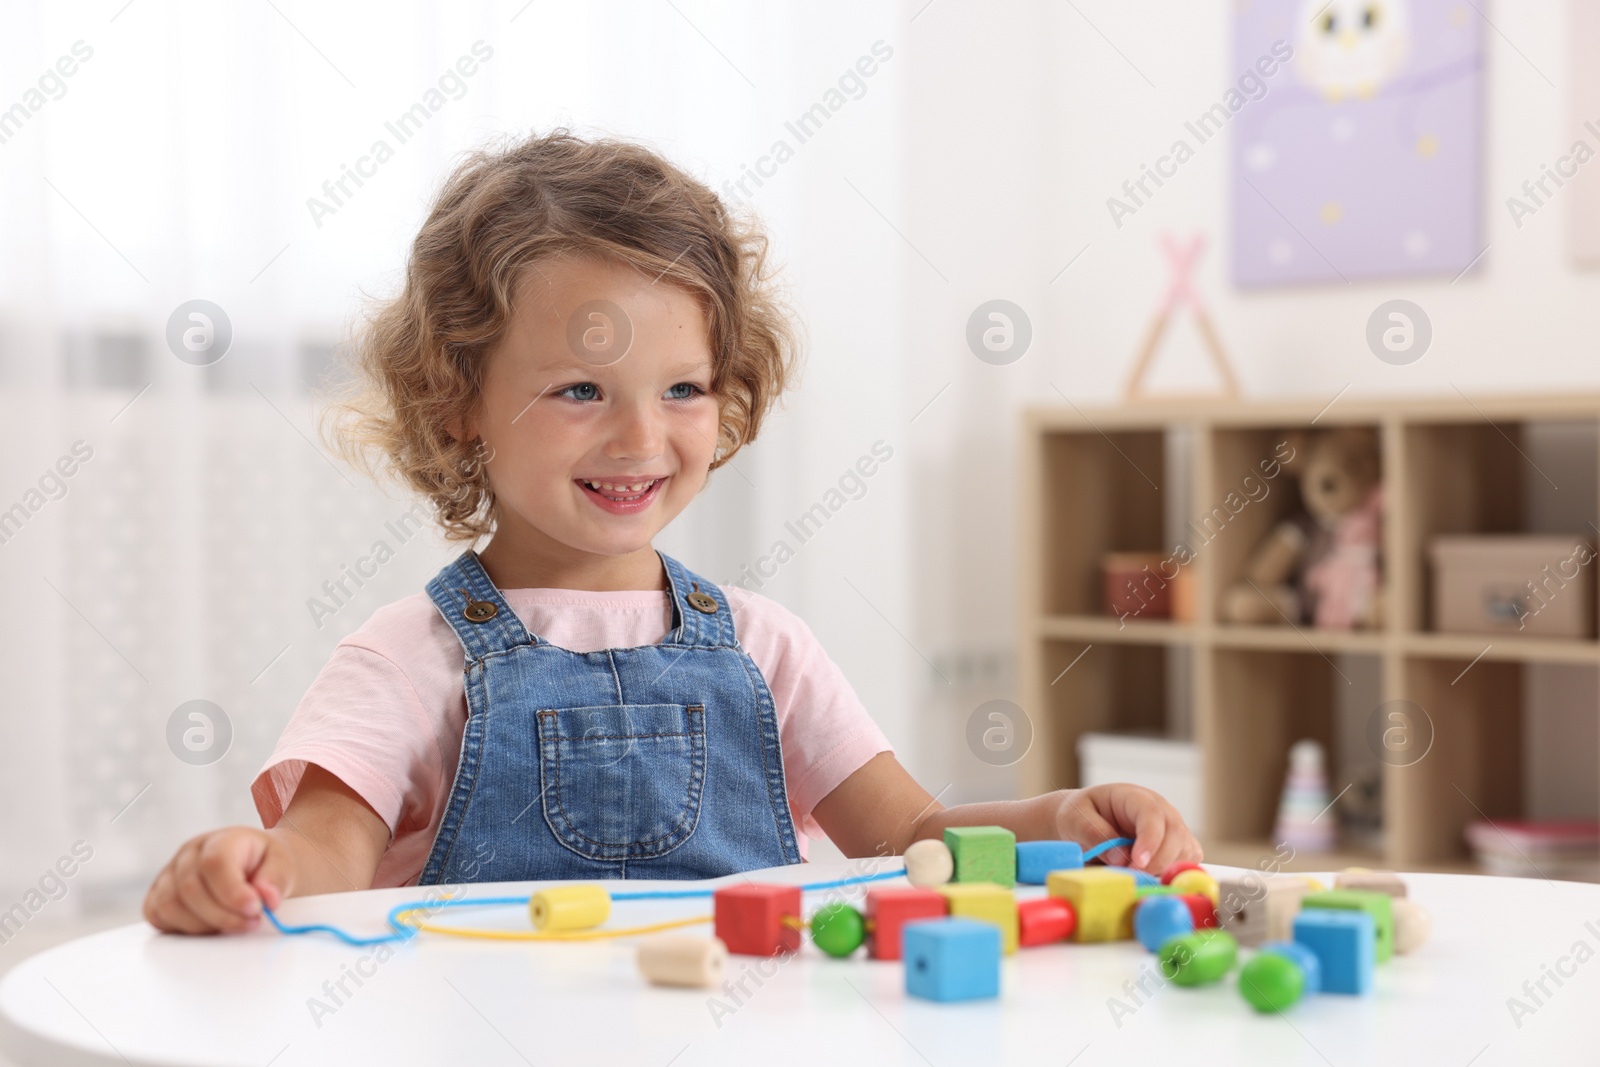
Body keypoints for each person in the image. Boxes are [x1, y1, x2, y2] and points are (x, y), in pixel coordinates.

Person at [143, 129, 1201, 934]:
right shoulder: (407, 660)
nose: (641, 436)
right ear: (455, 400)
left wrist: (1061, 815)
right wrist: (252, 870)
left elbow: (917, 839)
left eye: (683, 386)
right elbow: (326, 844)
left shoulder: (763, 646)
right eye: (577, 388)